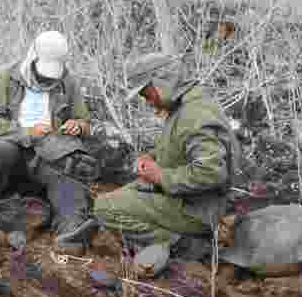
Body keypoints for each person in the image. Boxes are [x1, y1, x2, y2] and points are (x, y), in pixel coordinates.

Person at [0, 30, 100, 251]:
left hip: (50, 151)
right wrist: (28, 132)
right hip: (13, 146)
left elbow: (84, 120)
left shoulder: (68, 81)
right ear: (32, 58)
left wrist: (79, 125)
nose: (46, 80)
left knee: (69, 167)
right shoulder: (5, 76)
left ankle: (70, 232)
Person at [93, 51, 242, 277]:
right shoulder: (188, 104)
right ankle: (172, 241)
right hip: (191, 200)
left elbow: (211, 173)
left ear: (162, 81)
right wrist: (153, 158)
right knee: (122, 195)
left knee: (105, 208)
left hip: (198, 210)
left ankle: (186, 246)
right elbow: (185, 147)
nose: (146, 99)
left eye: (145, 92)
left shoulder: (194, 114)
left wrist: (160, 176)